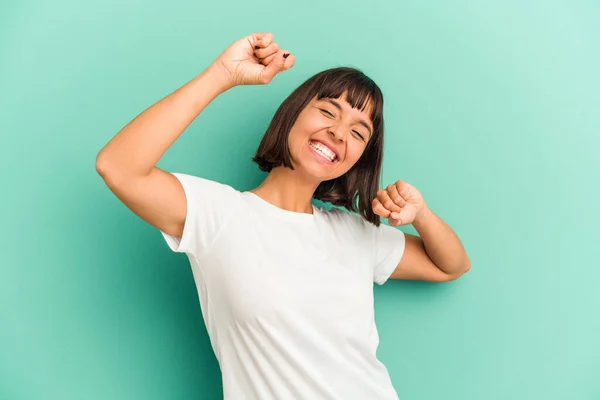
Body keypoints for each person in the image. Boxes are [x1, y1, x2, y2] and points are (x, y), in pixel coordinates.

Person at [96, 32, 471, 400]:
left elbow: (450, 265)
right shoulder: (219, 215)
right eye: (328, 111)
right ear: (292, 114)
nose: (339, 133)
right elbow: (118, 167)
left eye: (359, 132)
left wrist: (421, 214)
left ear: (361, 157)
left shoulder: (357, 234)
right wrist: (222, 75)